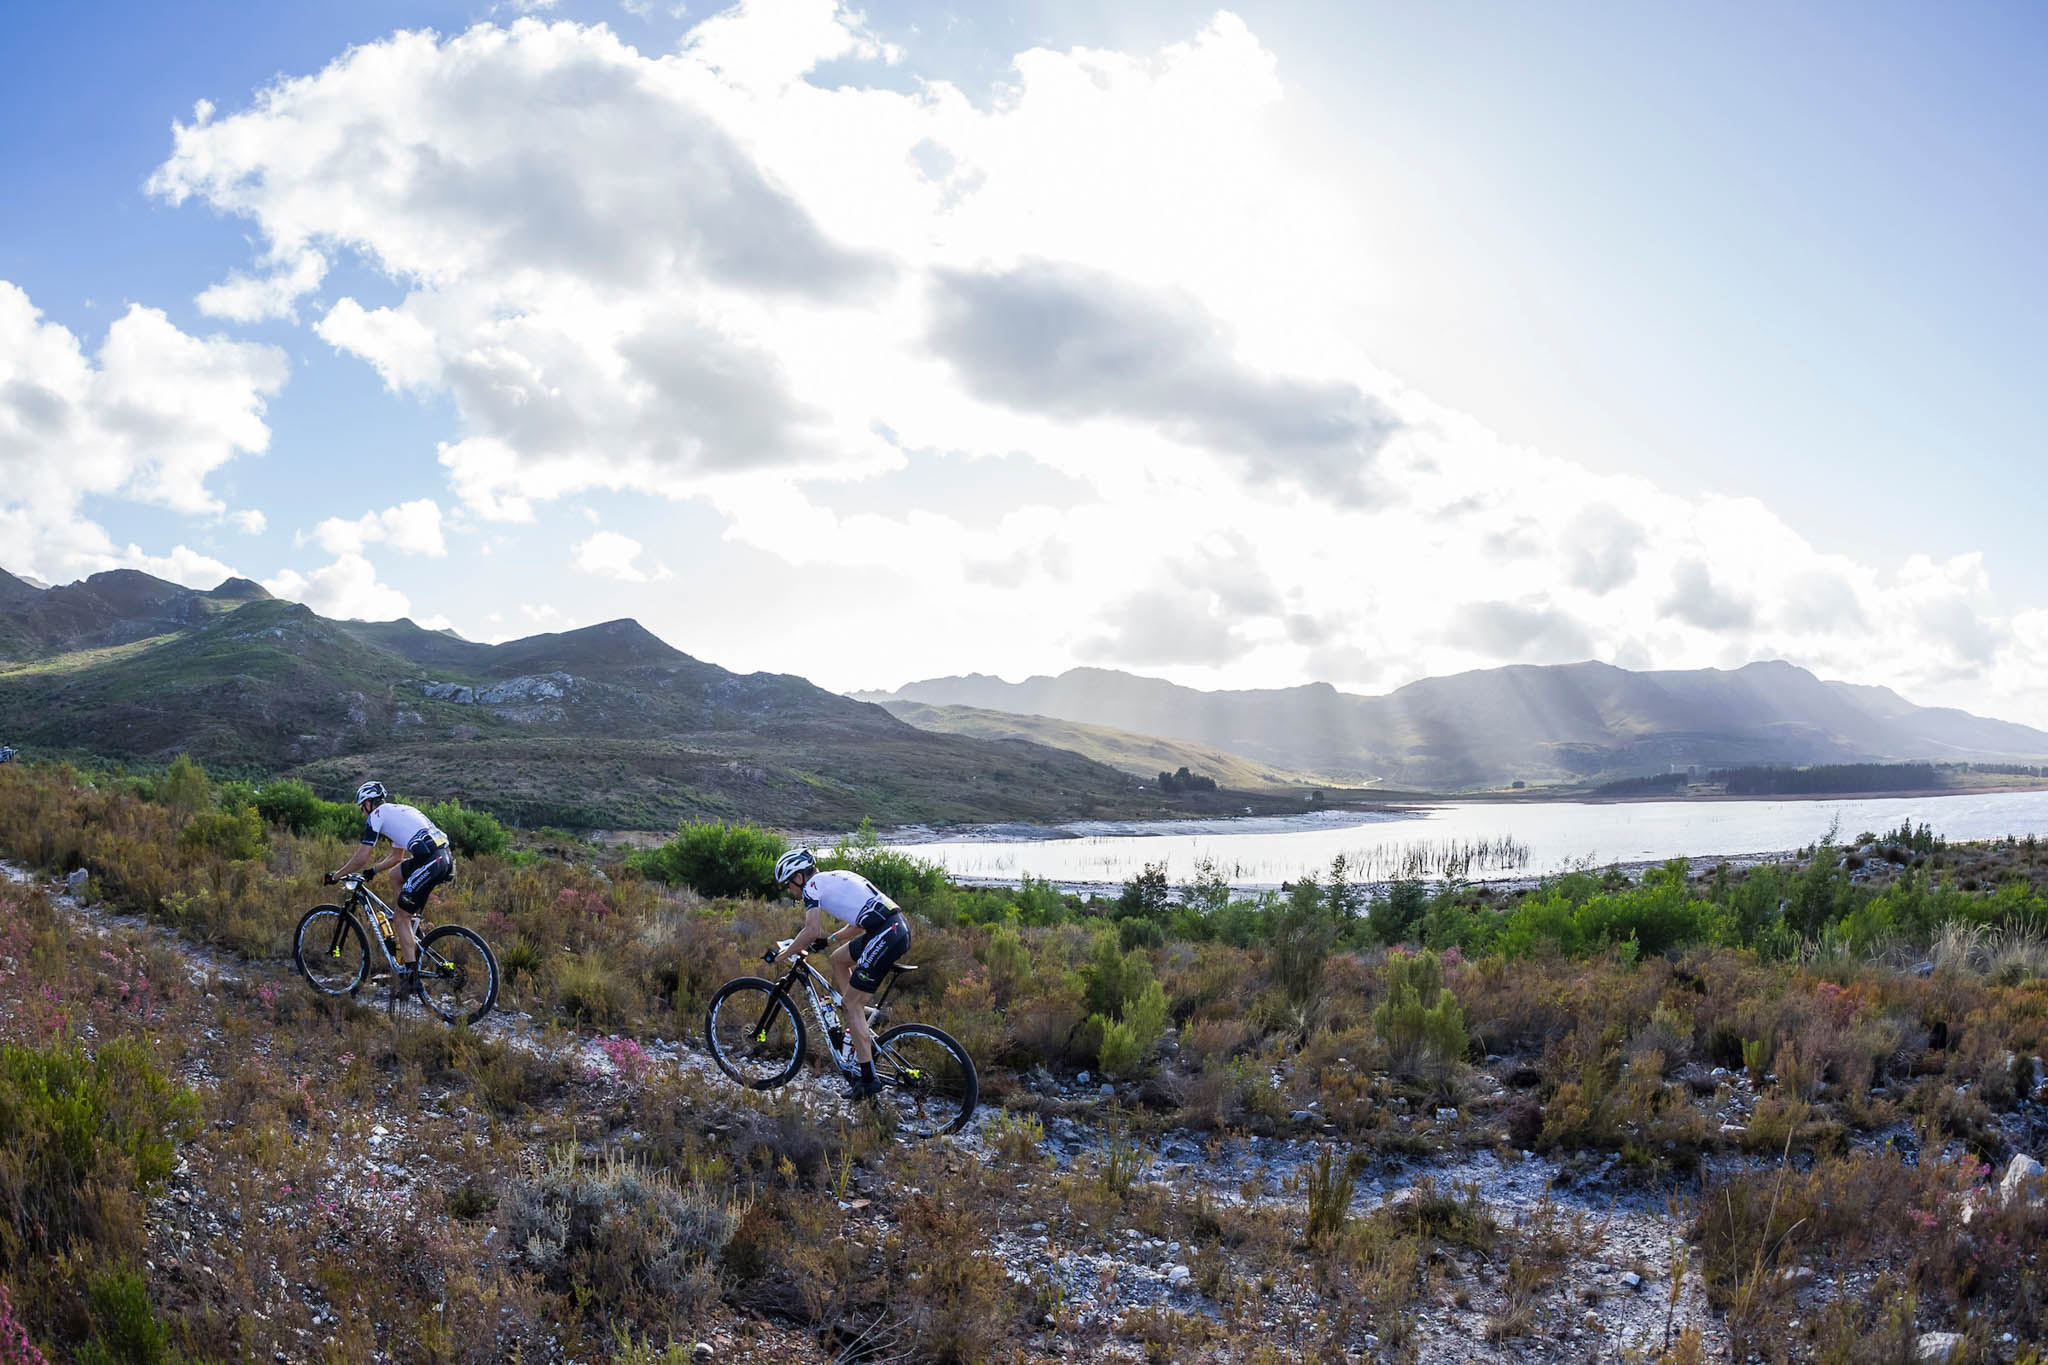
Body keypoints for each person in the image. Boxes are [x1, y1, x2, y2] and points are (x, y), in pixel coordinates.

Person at [767, 847, 908, 1100]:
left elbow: (810, 930)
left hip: (886, 932)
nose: (790, 890)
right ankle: (858, 1017)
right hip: (891, 927)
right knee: (838, 960)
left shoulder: (812, 887)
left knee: (851, 1004)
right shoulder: (834, 877)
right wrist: (829, 941)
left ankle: (868, 1080)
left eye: (788, 884)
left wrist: (785, 953)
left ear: (799, 877)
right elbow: (859, 923)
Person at [324, 781, 454, 991]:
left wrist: (337, 876)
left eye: (361, 808)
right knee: (395, 875)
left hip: (432, 861)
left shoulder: (377, 816)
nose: (362, 813)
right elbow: (396, 857)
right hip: (442, 858)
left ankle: (410, 977)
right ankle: (410, 928)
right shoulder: (397, 811)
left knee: (400, 917)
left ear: (368, 804)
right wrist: (373, 872)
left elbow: (361, 857)